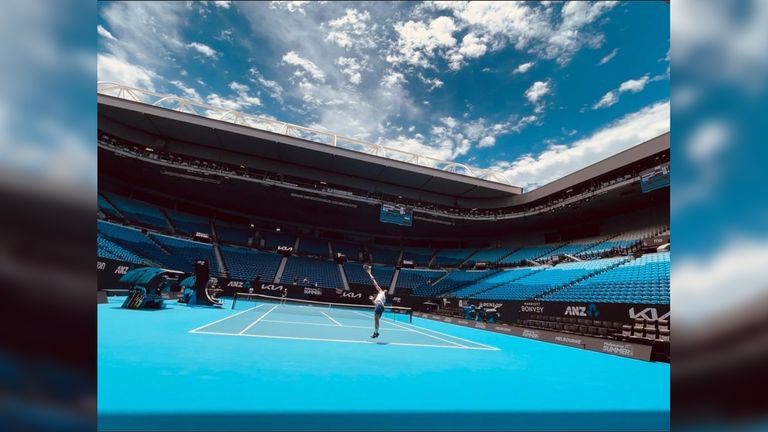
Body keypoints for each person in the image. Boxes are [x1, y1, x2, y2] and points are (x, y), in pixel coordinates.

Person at [365, 265, 386, 339]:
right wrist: (372, 299)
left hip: (380, 306)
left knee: (376, 321)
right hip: (381, 307)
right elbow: (375, 304)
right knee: (376, 320)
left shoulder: (381, 292)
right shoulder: (381, 297)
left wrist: (369, 273)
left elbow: (375, 282)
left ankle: (376, 333)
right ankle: (376, 332)